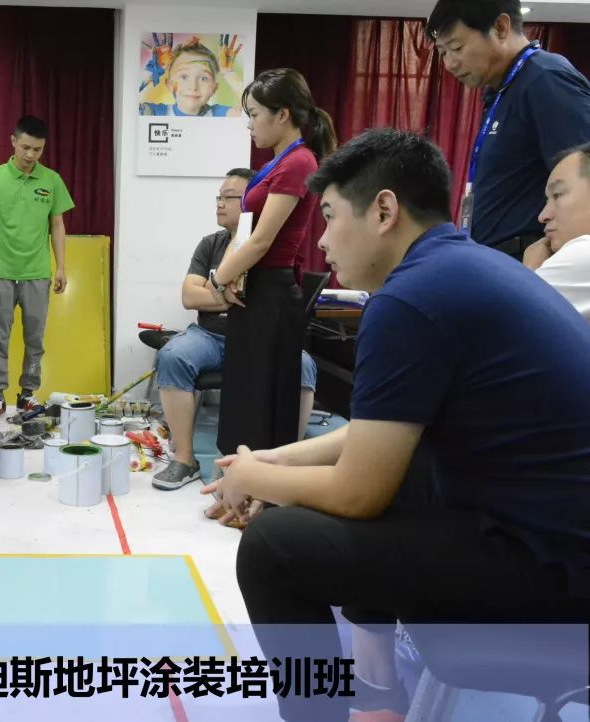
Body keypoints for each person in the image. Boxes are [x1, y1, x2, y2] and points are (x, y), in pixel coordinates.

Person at [205, 128, 590, 722]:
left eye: (330, 217)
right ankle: (378, 690)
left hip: (556, 582)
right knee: (397, 477)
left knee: (273, 548)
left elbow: (357, 493)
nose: (321, 240)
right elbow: (380, 431)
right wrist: (273, 460)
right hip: (550, 544)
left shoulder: (409, 299)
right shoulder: (460, 267)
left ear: (384, 210)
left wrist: (252, 477)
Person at [151, 168, 319, 493]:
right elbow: (189, 297)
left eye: (230, 197)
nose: (220, 203)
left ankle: (284, 462)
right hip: (209, 336)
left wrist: (215, 292)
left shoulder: (271, 247)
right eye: (219, 196)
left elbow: (270, 299)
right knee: (172, 356)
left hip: (258, 336)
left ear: (254, 201)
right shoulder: (211, 244)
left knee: (304, 366)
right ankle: (184, 459)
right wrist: (230, 296)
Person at [209, 68, 336, 457]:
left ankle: (260, 480)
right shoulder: (278, 162)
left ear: (282, 114)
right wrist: (233, 276)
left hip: (273, 293)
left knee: (262, 399)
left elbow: (262, 240)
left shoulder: (299, 162)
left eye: (254, 114)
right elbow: (247, 232)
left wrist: (218, 280)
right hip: (255, 287)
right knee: (245, 393)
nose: (249, 124)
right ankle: (240, 475)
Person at [428, 0, 590, 255]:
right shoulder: (501, 91)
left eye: (456, 47)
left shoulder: (545, 79)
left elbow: (583, 181)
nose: (450, 64)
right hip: (498, 256)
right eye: (443, 53)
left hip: (528, 259)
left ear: (501, 28)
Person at [0, 116, 74, 414]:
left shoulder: (51, 181)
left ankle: (27, 393)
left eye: (37, 150)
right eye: (25, 147)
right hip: (1, 273)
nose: (30, 155)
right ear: (13, 141)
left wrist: (61, 267)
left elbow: (57, 225)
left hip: (37, 273)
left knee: (35, 339)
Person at [522, 142, 590, 320]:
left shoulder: (583, 252)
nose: (543, 216)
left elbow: (503, 325)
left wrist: (529, 272)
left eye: (557, 195)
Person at [140, 36, 242, 117]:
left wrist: (228, 72)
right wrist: (154, 70)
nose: (193, 87)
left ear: (214, 88)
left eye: (203, 78)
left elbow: (249, 112)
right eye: (184, 77)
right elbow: (129, 100)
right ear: (169, 85)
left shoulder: (220, 114)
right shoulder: (156, 113)